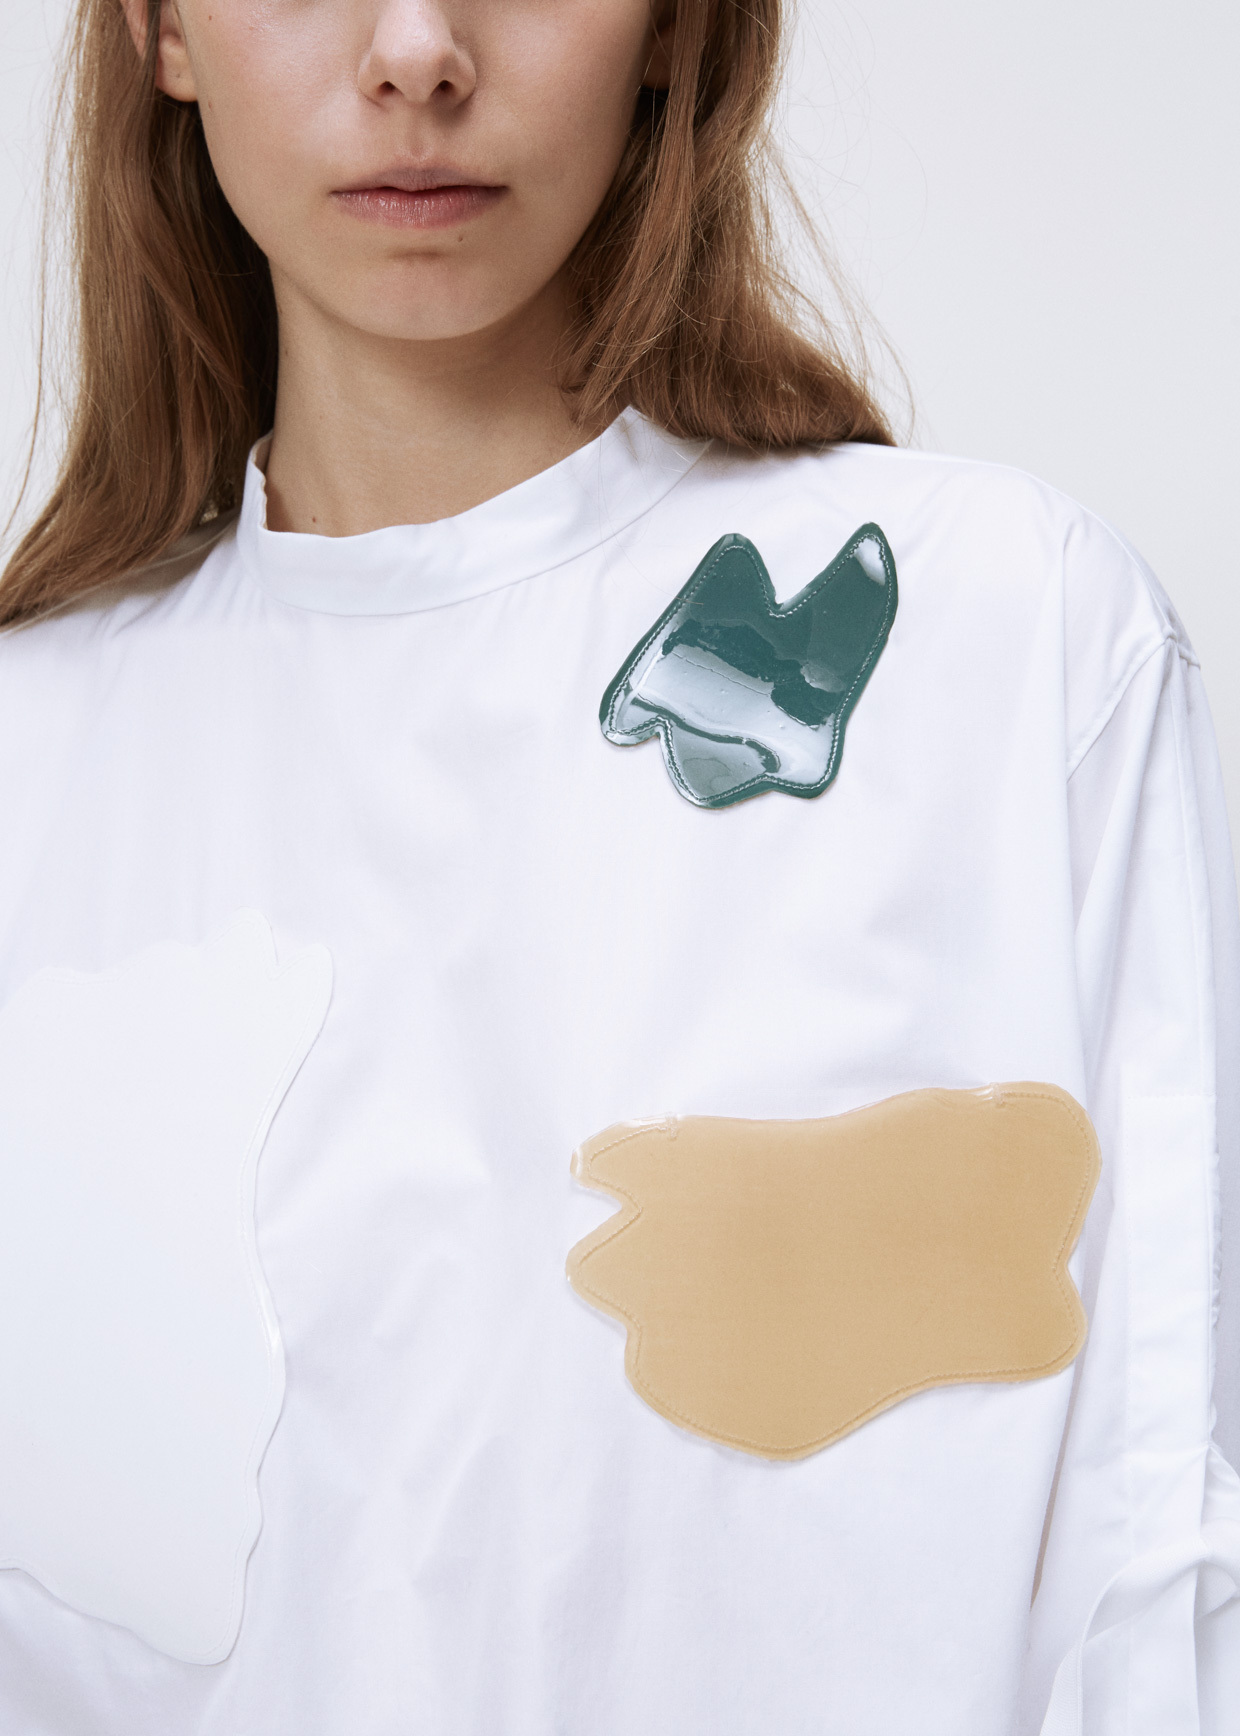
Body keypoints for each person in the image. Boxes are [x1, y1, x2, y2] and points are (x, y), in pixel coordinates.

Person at [0, 0, 1236, 1729]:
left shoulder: (1008, 641)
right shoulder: (36, 762)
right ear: (159, 28)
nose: (418, 51)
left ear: (675, 27)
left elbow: (1156, 1551)